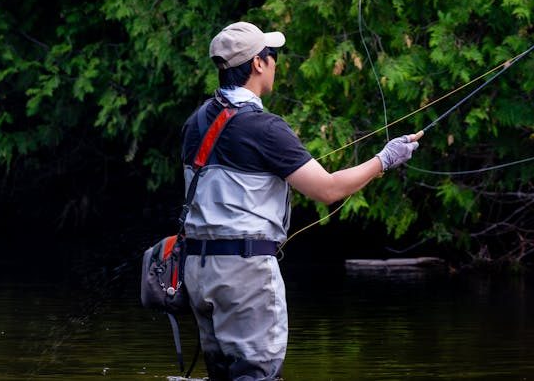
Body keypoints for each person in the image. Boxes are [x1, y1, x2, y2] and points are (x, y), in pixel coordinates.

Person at [180, 21, 422, 380]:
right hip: (243, 276)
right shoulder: (264, 128)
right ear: (258, 64)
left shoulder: (197, 121)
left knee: (223, 375)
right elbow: (327, 190)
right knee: (257, 374)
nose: (276, 62)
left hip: (197, 270)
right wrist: (385, 159)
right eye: (272, 55)